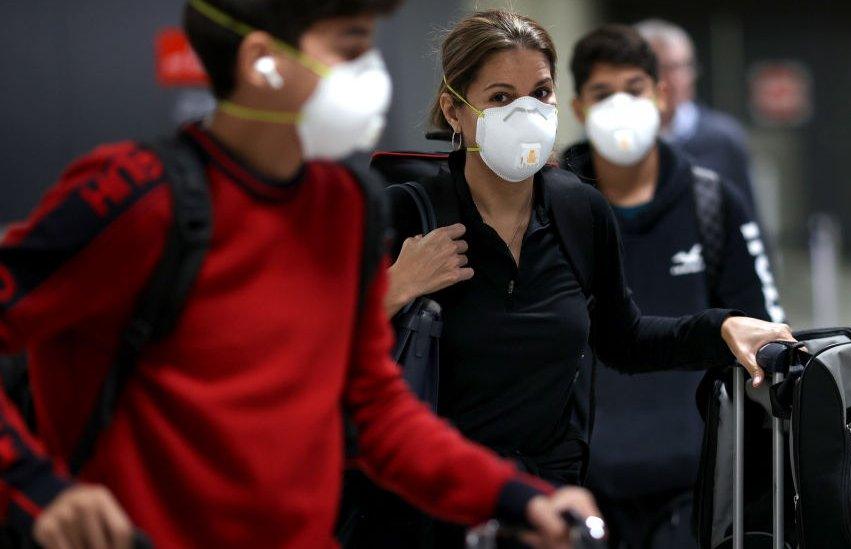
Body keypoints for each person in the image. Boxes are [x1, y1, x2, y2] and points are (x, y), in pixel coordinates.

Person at [0, 1, 603, 547]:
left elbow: (377, 411)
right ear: (261, 61)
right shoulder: (137, 194)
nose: (371, 72)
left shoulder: (345, 206)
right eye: (349, 47)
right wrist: (38, 490)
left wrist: (518, 500)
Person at [383, 9, 794, 547]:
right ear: (454, 112)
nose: (525, 112)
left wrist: (720, 329)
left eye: (541, 93)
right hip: (432, 510)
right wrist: (394, 289)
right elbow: (328, 356)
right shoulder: (409, 213)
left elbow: (622, 338)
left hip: (551, 507)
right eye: (502, 97)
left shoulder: (579, 210)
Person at [561, 25, 784, 549]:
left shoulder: (713, 202)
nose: (620, 105)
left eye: (633, 89)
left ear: (662, 96)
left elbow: (763, 326)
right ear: (578, 107)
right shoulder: (553, 206)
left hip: (696, 481)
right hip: (583, 485)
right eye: (602, 93)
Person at [635, 19, 758, 213]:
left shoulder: (723, 139)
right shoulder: (616, 139)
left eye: (683, 66)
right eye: (662, 68)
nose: (675, 79)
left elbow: (748, 217)